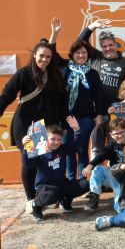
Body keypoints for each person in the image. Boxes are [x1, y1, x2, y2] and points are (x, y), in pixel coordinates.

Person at [0, 41, 68, 213]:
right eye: (41, 56)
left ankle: (45, 195)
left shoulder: (56, 75)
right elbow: (6, 95)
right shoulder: (24, 73)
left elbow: (62, 103)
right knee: (30, 162)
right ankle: (32, 200)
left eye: (48, 57)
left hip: (48, 126)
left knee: (47, 162)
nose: (44, 59)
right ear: (34, 56)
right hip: (28, 125)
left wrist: (63, 125)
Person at [48, 17, 105, 180]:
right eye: (78, 52)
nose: (81, 55)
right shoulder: (65, 67)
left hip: (86, 118)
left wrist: (99, 115)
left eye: (84, 53)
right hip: (66, 118)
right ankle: (71, 180)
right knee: (68, 150)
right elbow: (51, 52)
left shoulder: (92, 73)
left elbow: (98, 96)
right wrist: (55, 33)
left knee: (82, 150)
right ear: (73, 54)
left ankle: (81, 184)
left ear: (88, 55)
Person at [22, 124, 89, 221]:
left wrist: (77, 130)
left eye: (59, 139)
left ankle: (65, 200)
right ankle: (36, 206)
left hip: (61, 183)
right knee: (51, 195)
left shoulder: (62, 148)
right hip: (45, 187)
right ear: (45, 138)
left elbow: (76, 144)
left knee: (85, 184)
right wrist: (25, 149)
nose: (56, 142)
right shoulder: (40, 152)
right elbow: (28, 165)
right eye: (52, 139)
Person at [77, 18, 125, 110]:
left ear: (116, 45)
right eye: (104, 46)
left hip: (116, 109)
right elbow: (80, 43)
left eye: (110, 45)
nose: (108, 48)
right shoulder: (96, 56)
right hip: (94, 110)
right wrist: (91, 27)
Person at [81, 118, 125, 212]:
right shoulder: (111, 146)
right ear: (111, 134)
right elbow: (100, 156)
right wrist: (89, 166)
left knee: (119, 207)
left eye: (122, 132)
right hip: (113, 175)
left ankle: (122, 208)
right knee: (97, 170)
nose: (120, 135)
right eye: (116, 133)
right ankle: (94, 198)